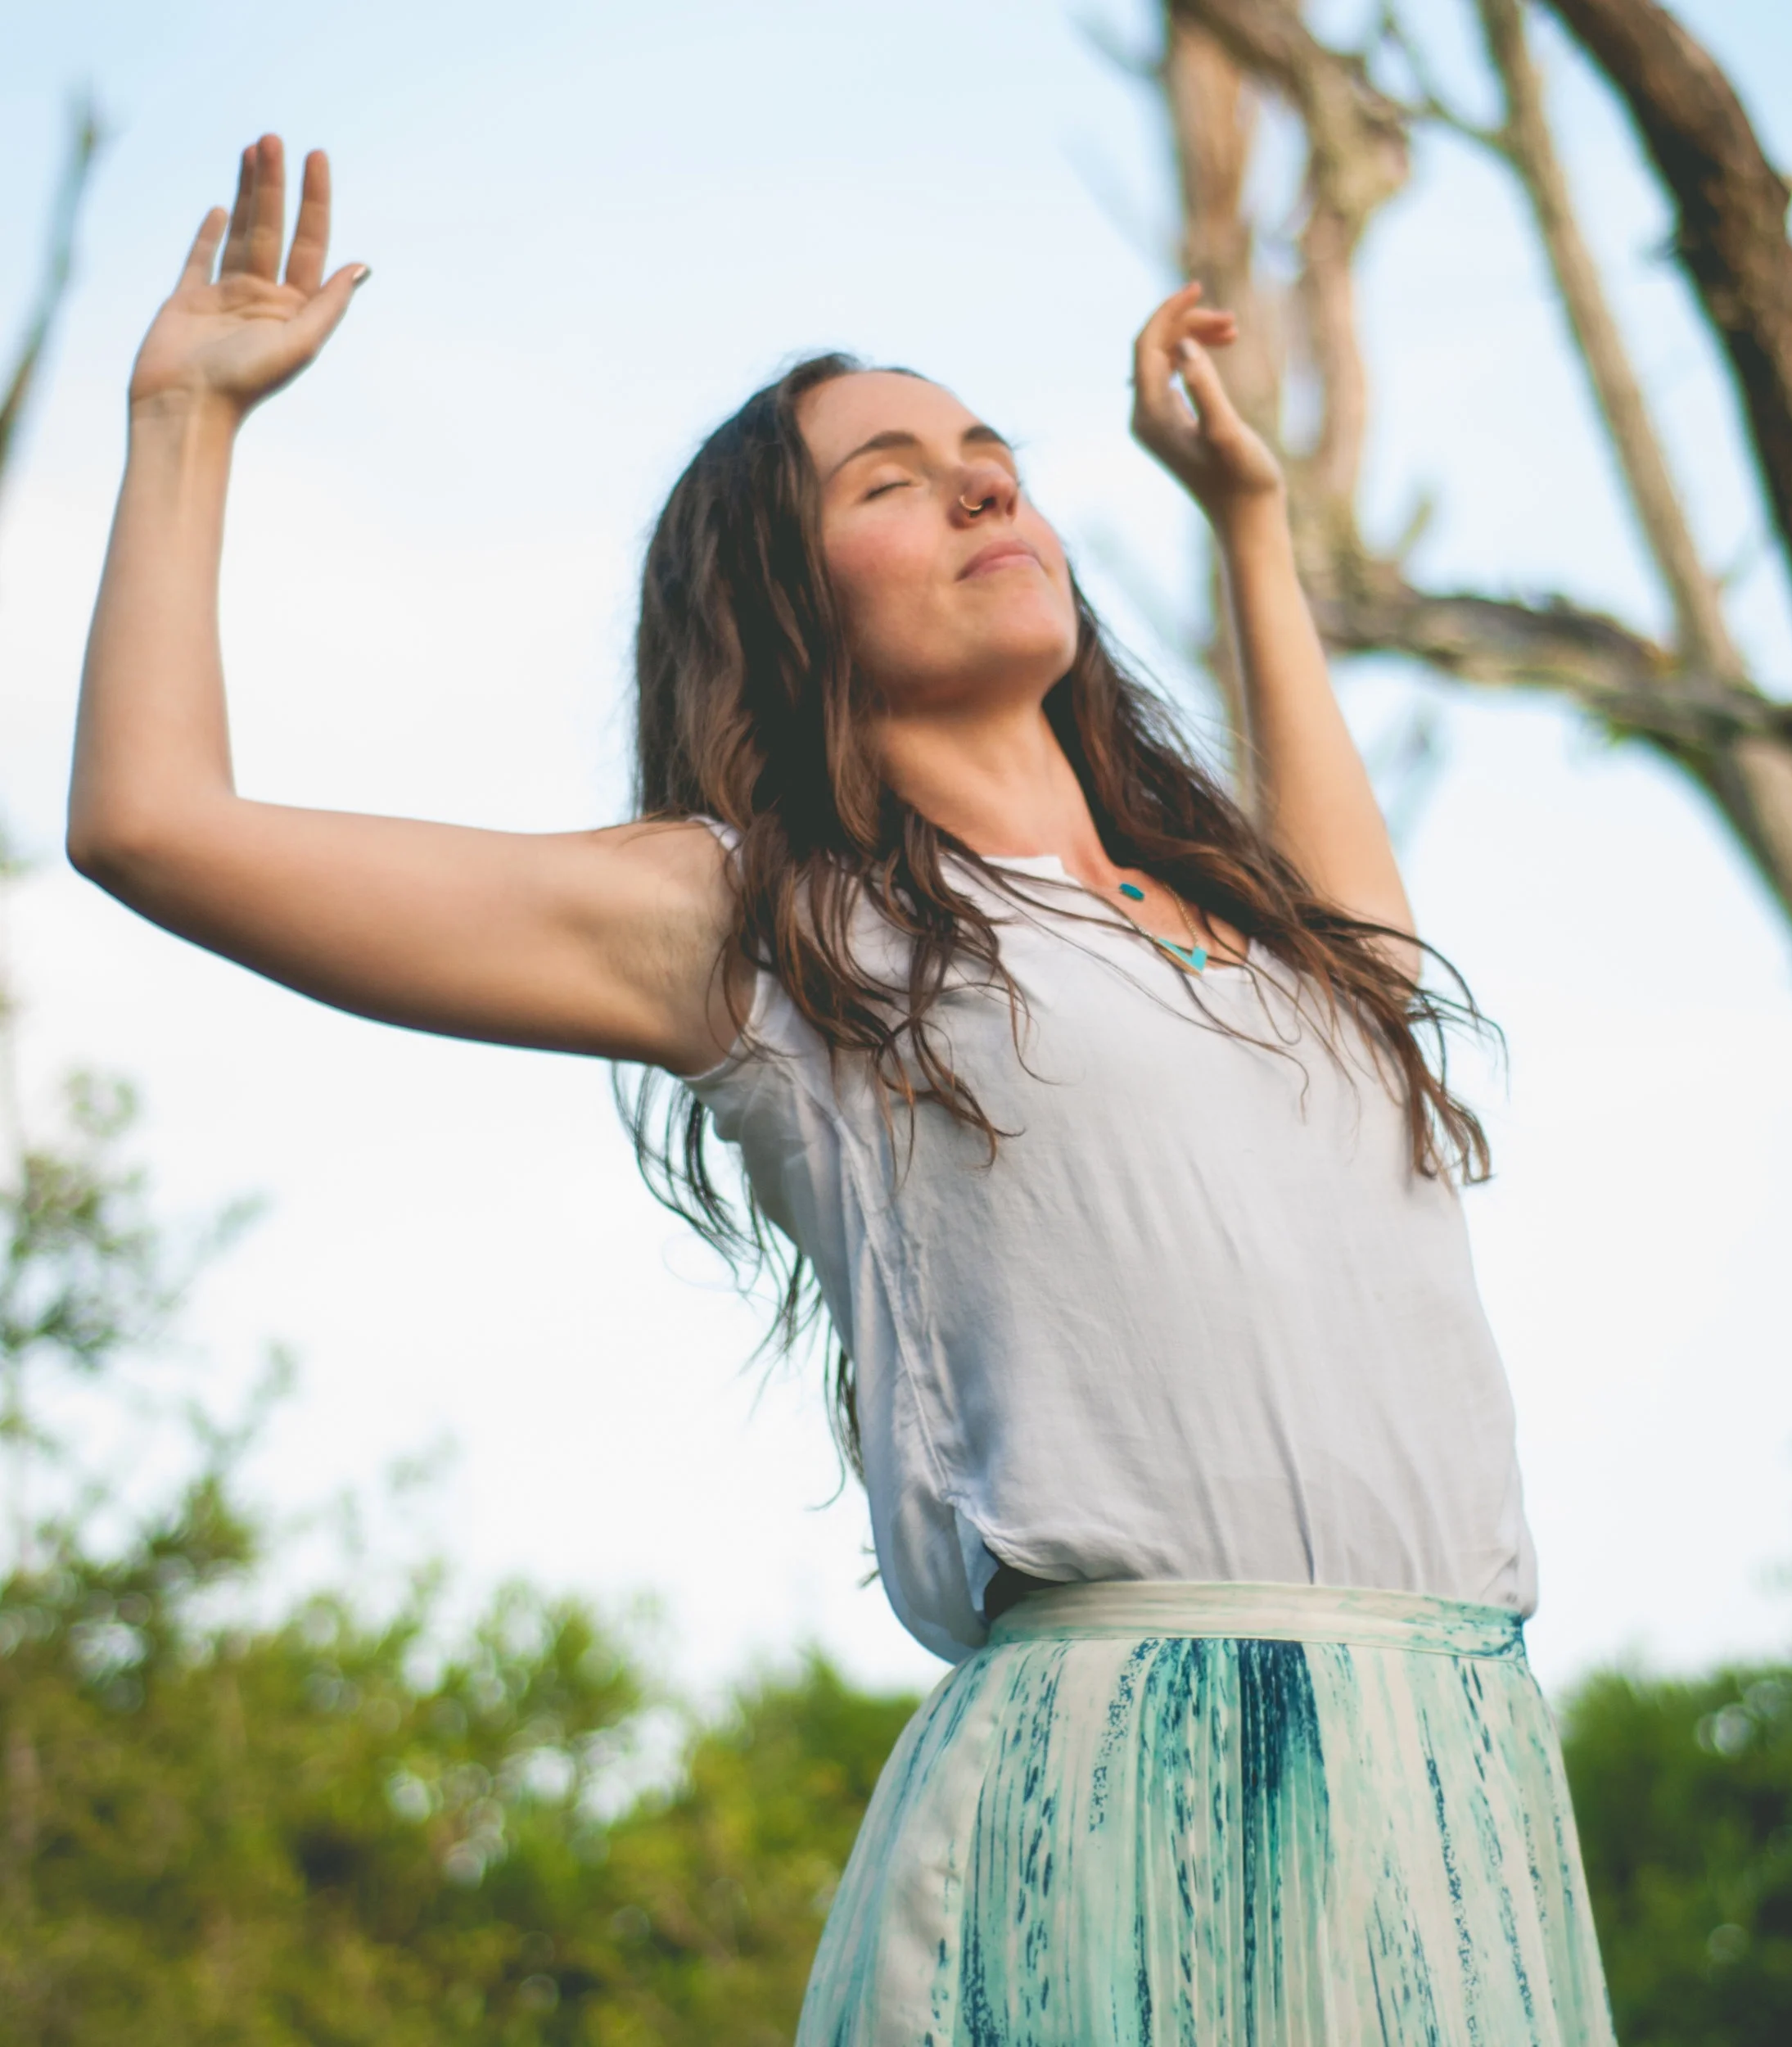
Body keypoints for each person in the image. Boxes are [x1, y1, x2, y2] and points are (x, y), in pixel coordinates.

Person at [70, 137, 1614, 2045]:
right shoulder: (777, 926)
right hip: (1110, 1779)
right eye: (887, 479)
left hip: (1448, 1773)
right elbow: (153, 825)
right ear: (784, 605)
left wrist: (1247, 521)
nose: (981, 481)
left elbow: (1373, 954)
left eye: (990, 454)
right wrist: (183, 419)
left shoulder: (1280, 946)